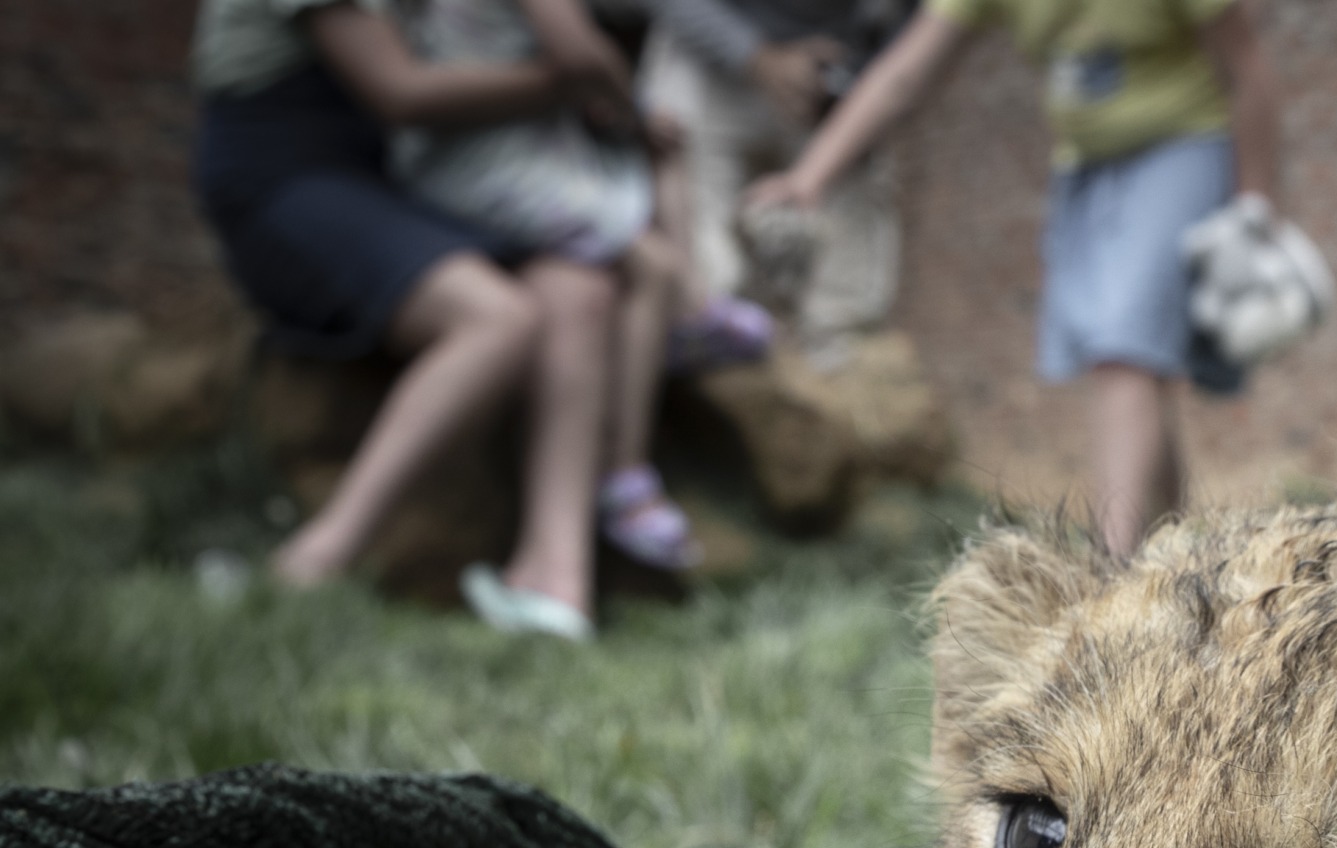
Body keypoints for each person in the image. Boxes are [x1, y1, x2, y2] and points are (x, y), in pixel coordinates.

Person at [744, 0, 1282, 556]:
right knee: (1130, 363)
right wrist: (809, 178)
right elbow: (904, 73)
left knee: (1123, 353)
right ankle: (1175, 555)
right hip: (1085, 167)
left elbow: (1247, 72)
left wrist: (1254, 209)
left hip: (1182, 149)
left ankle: (1112, 568)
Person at [191, 0, 618, 636]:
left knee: (580, 290)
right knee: (495, 318)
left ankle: (555, 582)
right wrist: (568, 83)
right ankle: (317, 556)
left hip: (397, 175)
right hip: (283, 173)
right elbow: (399, 92)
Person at [391, 0, 705, 569]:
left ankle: (688, 320)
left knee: (633, 239)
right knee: (653, 262)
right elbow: (580, 54)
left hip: (490, 149)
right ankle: (627, 470)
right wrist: (627, 110)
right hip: (487, 158)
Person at [640, 0, 917, 362]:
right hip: (708, 56)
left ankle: (835, 358)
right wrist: (753, 55)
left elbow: (917, 38)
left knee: (846, 302)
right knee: (704, 281)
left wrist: (858, 80)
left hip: (831, 75)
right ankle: (707, 342)